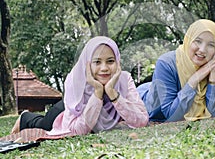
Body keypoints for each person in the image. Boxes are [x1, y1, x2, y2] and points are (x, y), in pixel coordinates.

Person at [11, 36, 149, 136]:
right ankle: (25, 117)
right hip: (66, 111)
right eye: (97, 62)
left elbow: (142, 121)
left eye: (110, 61)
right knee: (42, 124)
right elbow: (77, 130)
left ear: (118, 62)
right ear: (87, 64)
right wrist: (97, 93)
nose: (104, 68)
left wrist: (112, 93)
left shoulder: (124, 79)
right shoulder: (75, 81)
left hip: (93, 108)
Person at [137, 19, 215, 122]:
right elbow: (172, 115)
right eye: (198, 41)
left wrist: (213, 77)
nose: (202, 49)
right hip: (144, 98)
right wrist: (195, 79)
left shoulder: (214, 63)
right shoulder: (166, 63)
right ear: (188, 40)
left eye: (211, 45)